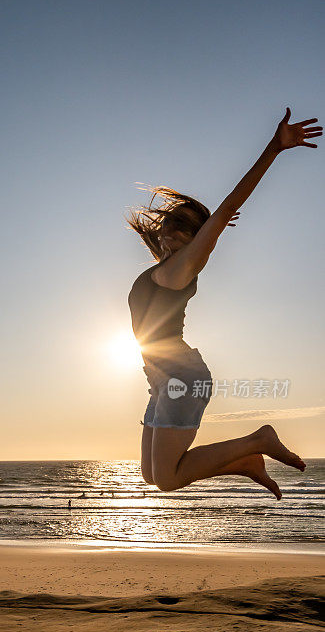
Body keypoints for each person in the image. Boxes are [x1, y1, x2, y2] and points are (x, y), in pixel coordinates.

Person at [126, 108, 322, 500]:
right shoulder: (161, 269)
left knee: (167, 478)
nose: (178, 228)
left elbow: (228, 207)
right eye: (173, 222)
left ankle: (257, 440)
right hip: (163, 380)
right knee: (151, 475)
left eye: (190, 227)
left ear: (201, 240)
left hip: (182, 377)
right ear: (162, 229)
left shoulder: (184, 268)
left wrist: (274, 148)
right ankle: (243, 461)